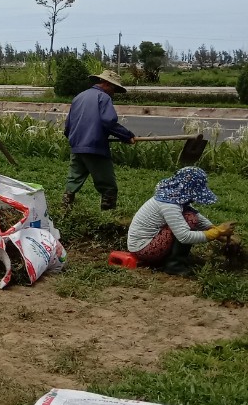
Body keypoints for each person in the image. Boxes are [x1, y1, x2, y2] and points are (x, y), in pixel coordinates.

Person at [127, 167, 234, 275]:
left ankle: (170, 260)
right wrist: (217, 232)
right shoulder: (169, 205)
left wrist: (217, 231)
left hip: (148, 243)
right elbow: (184, 236)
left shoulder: (173, 196)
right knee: (189, 219)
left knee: (190, 216)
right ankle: (174, 266)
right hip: (144, 249)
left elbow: (197, 215)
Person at [62, 69, 136, 210]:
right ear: (107, 84)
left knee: (73, 181)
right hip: (95, 147)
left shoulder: (79, 96)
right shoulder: (103, 98)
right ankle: (108, 218)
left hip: (77, 147)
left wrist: (76, 140)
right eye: (114, 88)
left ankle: (64, 210)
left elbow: (68, 126)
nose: (114, 93)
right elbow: (108, 122)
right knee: (108, 186)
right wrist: (127, 136)